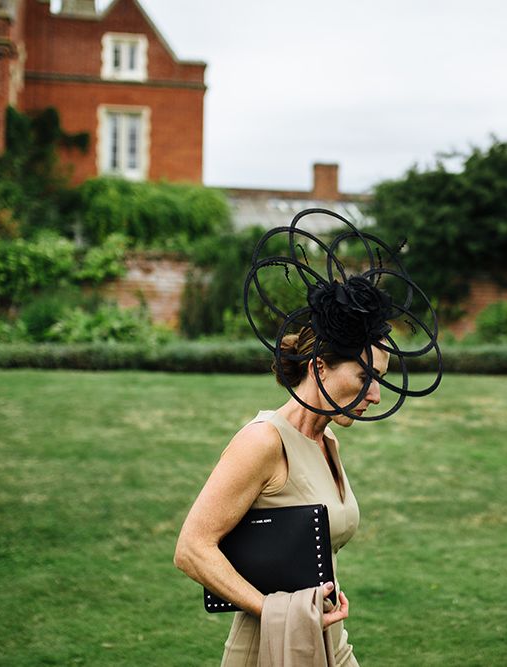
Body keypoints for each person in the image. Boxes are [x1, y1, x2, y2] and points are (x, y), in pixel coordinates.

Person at [174, 209, 442, 666]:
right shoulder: (263, 442)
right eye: (363, 377)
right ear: (319, 366)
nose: (375, 395)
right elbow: (192, 549)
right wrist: (277, 613)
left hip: (329, 642)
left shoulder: (327, 442)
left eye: (379, 378)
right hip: (269, 649)